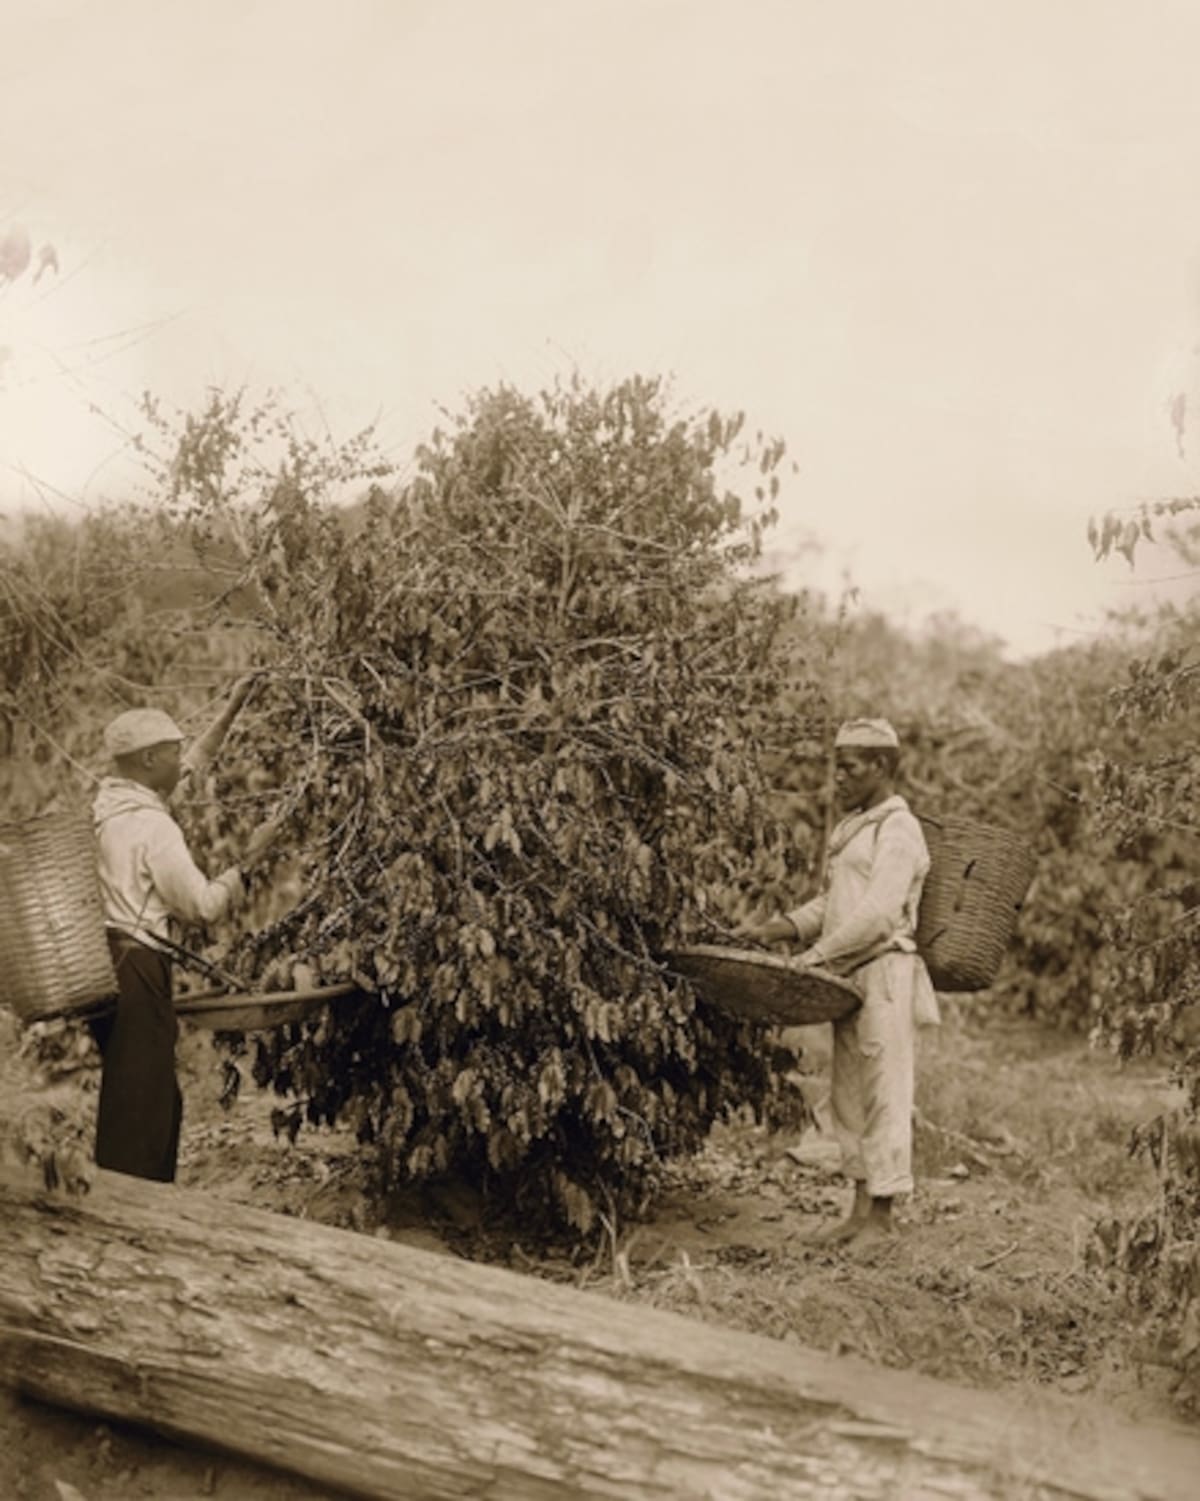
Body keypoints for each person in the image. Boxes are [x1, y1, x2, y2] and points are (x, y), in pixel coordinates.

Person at [737, 717, 939, 1247]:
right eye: (837, 767)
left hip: (885, 972)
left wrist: (816, 957)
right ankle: (858, 1211)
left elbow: (876, 915)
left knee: (885, 1092)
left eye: (850, 768)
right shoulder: (853, 828)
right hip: (848, 976)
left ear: (882, 766)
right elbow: (832, 904)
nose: (839, 779)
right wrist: (776, 930)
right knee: (848, 1094)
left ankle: (883, 1219)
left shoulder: (899, 828)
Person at [90, 680, 281, 1183]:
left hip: (107, 965)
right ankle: (131, 1218)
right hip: (139, 971)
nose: (182, 765)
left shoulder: (109, 808)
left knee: (143, 1096)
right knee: (143, 1108)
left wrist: (235, 703)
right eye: (172, 756)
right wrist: (249, 863)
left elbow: (194, 762)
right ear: (150, 760)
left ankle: (133, 1204)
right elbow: (203, 906)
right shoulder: (153, 827)